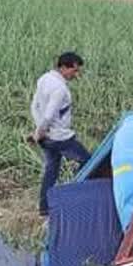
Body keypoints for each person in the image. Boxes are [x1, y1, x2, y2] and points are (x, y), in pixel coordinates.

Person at [30, 52, 91, 217]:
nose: (76, 75)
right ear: (64, 67)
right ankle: (74, 198)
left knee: (51, 171)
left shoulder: (44, 79)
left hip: (46, 137)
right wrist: (39, 132)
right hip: (59, 137)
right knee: (88, 162)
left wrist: (39, 131)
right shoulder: (60, 88)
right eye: (74, 70)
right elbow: (49, 115)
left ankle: (44, 209)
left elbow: (34, 106)